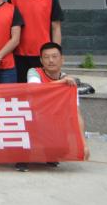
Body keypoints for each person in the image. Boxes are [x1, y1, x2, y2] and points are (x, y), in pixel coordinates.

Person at [19, 41, 86, 171]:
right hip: (32, 117)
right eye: (46, 57)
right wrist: (61, 83)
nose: (51, 60)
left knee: (62, 151)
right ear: (41, 60)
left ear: (62, 59)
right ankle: (22, 158)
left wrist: (83, 144)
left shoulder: (69, 82)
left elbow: (76, 113)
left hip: (53, 120)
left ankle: (51, 153)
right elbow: (35, 89)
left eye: (54, 56)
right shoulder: (34, 72)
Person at [9, 0, 64, 82]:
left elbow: (56, 28)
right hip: (19, 54)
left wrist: (55, 53)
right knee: (22, 88)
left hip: (44, 54)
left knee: (46, 88)